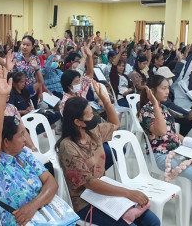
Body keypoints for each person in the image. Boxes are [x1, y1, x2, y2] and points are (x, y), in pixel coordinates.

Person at [56, 84, 160, 225]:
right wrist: (128, 193)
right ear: (78, 122)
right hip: (84, 201)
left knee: (152, 221)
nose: (93, 117)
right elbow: (90, 183)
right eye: (90, 115)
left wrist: (105, 100)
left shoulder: (92, 132)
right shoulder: (67, 147)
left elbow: (114, 124)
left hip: (104, 190)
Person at [0, 66, 58, 226]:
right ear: (6, 142)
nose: (25, 140)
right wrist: (2, 97)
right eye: (20, 135)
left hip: (44, 216)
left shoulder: (24, 154)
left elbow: (51, 182)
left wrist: (33, 206)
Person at [140, 75, 192, 208]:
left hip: (176, 150)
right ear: (152, 91)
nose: (167, 92)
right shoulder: (146, 111)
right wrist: (154, 103)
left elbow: (172, 133)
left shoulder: (164, 109)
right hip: (161, 156)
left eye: (168, 88)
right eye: (164, 88)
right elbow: (160, 131)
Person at [60, 44, 93, 113]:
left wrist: (89, 57)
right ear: (69, 86)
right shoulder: (66, 102)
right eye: (77, 82)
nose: (80, 83)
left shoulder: (78, 91)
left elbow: (89, 74)